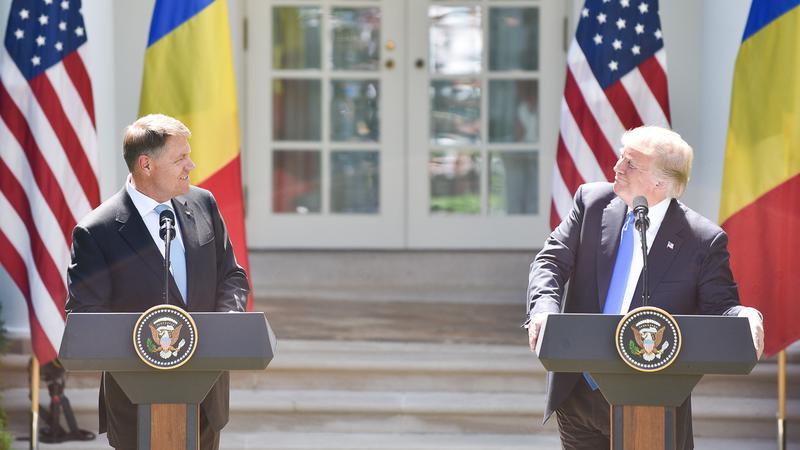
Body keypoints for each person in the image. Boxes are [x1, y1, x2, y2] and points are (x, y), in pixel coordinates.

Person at [525, 126, 764, 450]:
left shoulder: (702, 240)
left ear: (660, 183)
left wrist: (745, 315)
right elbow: (550, 262)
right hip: (578, 392)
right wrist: (543, 310)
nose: (617, 168)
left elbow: (720, 306)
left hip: (653, 398)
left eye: (630, 163)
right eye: (621, 158)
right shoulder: (592, 203)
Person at [65, 114, 250, 450]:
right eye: (180, 158)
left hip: (206, 394)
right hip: (137, 402)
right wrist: (147, 345)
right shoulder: (97, 231)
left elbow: (231, 276)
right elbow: (87, 313)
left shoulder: (202, 203)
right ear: (146, 164)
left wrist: (227, 325)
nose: (191, 165)